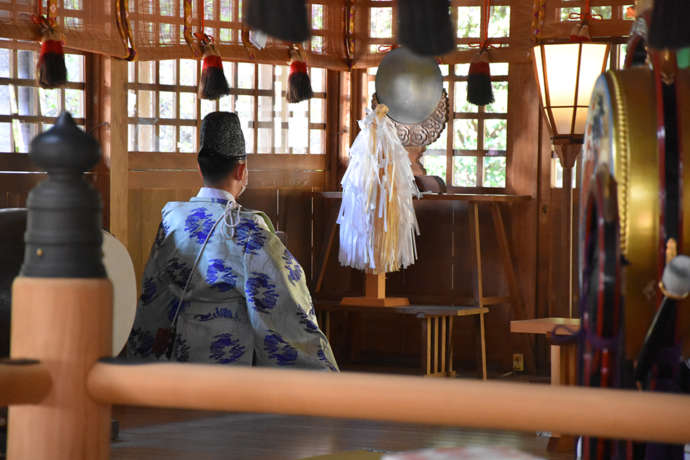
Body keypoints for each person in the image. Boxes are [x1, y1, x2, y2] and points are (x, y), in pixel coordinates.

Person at [125, 112, 338, 371]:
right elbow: (284, 303)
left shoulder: (173, 219)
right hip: (226, 361)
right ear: (241, 170)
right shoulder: (245, 230)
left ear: (200, 167)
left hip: (178, 360)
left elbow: (154, 294)